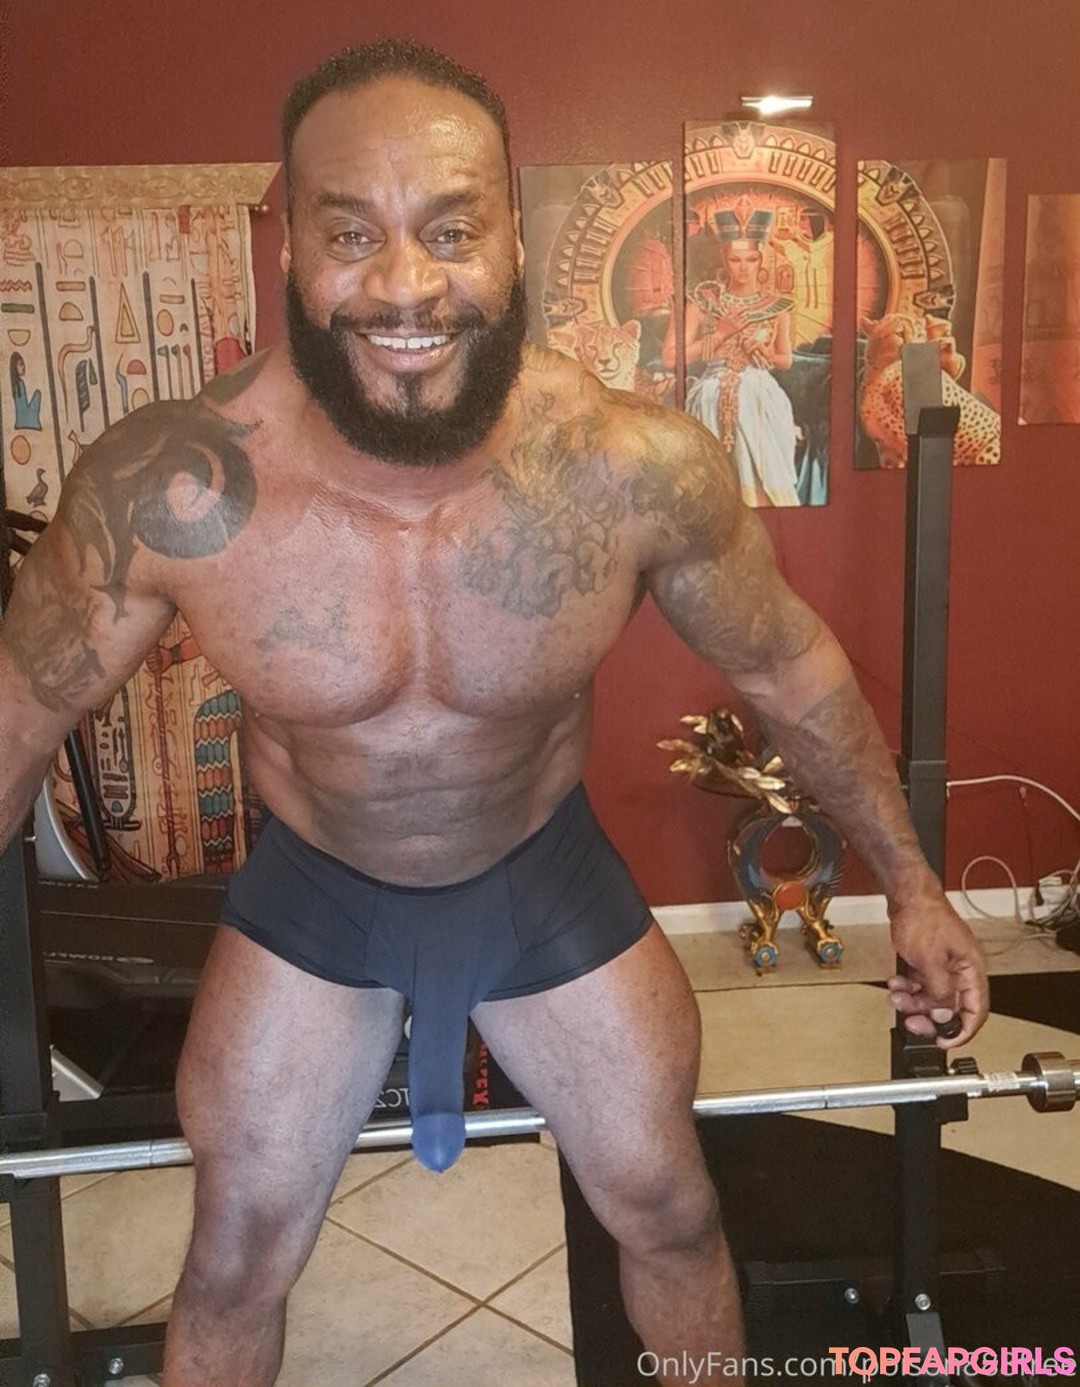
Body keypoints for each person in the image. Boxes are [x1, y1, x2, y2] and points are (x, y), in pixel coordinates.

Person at [0, 39, 988, 1387]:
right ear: (291, 249)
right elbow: (17, 719)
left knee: (672, 1210)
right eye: (351, 233)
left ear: (516, 236)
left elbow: (792, 671)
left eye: (451, 230)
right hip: (314, 888)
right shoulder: (172, 488)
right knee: (232, 1254)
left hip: (539, 870)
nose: (406, 285)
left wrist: (917, 887)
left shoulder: (632, 468)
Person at [666, 207, 801, 506]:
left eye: (751, 259)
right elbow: (670, 358)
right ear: (723, 260)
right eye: (735, 260)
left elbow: (785, 359)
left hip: (760, 392)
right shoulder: (703, 303)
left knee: (754, 393)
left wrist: (765, 352)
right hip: (711, 390)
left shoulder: (777, 306)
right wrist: (720, 334)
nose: (743, 268)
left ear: (760, 260)